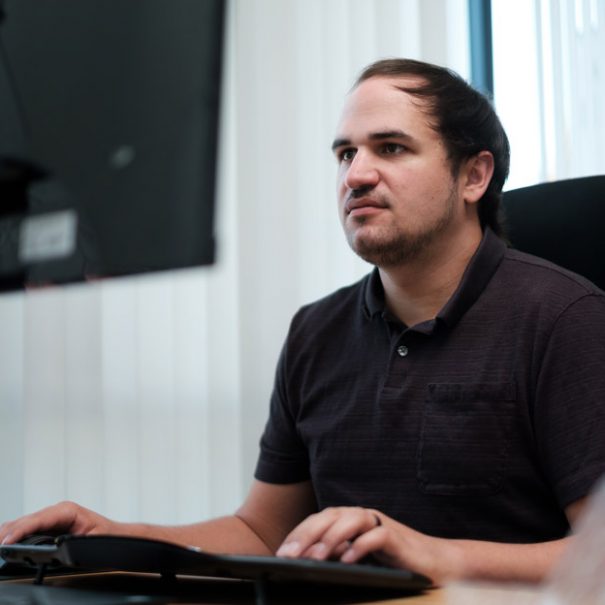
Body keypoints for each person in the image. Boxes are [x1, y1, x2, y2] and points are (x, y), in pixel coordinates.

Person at [2, 58, 605, 586]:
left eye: (390, 148)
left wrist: (433, 554)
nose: (355, 175)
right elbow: (262, 533)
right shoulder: (316, 331)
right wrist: (109, 539)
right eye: (346, 153)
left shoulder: (564, 319)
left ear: (474, 175)